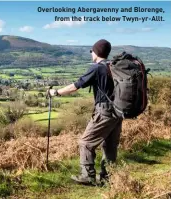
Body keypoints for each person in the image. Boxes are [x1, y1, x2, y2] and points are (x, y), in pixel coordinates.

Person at [48, 39, 123, 185]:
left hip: (104, 111)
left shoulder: (96, 68)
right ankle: (108, 178)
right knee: (110, 145)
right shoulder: (113, 66)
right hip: (118, 111)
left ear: (95, 52)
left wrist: (56, 92)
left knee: (86, 143)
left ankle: (88, 176)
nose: (91, 54)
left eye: (92, 51)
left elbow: (76, 86)